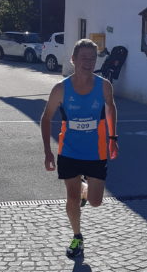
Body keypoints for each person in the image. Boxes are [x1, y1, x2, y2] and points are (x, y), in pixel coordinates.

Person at [41, 38, 118, 259]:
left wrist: (113, 137)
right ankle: (77, 236)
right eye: (83, 58)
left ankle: (86, 188)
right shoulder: (60, 89)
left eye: (92, 58)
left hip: (96, 151)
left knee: (96, 201)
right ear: (73, 59)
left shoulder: (104, 86)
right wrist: (47, 151)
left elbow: (111, 108)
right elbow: (46, 118)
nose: (88, 62)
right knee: (72, 198)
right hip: (69, 151)